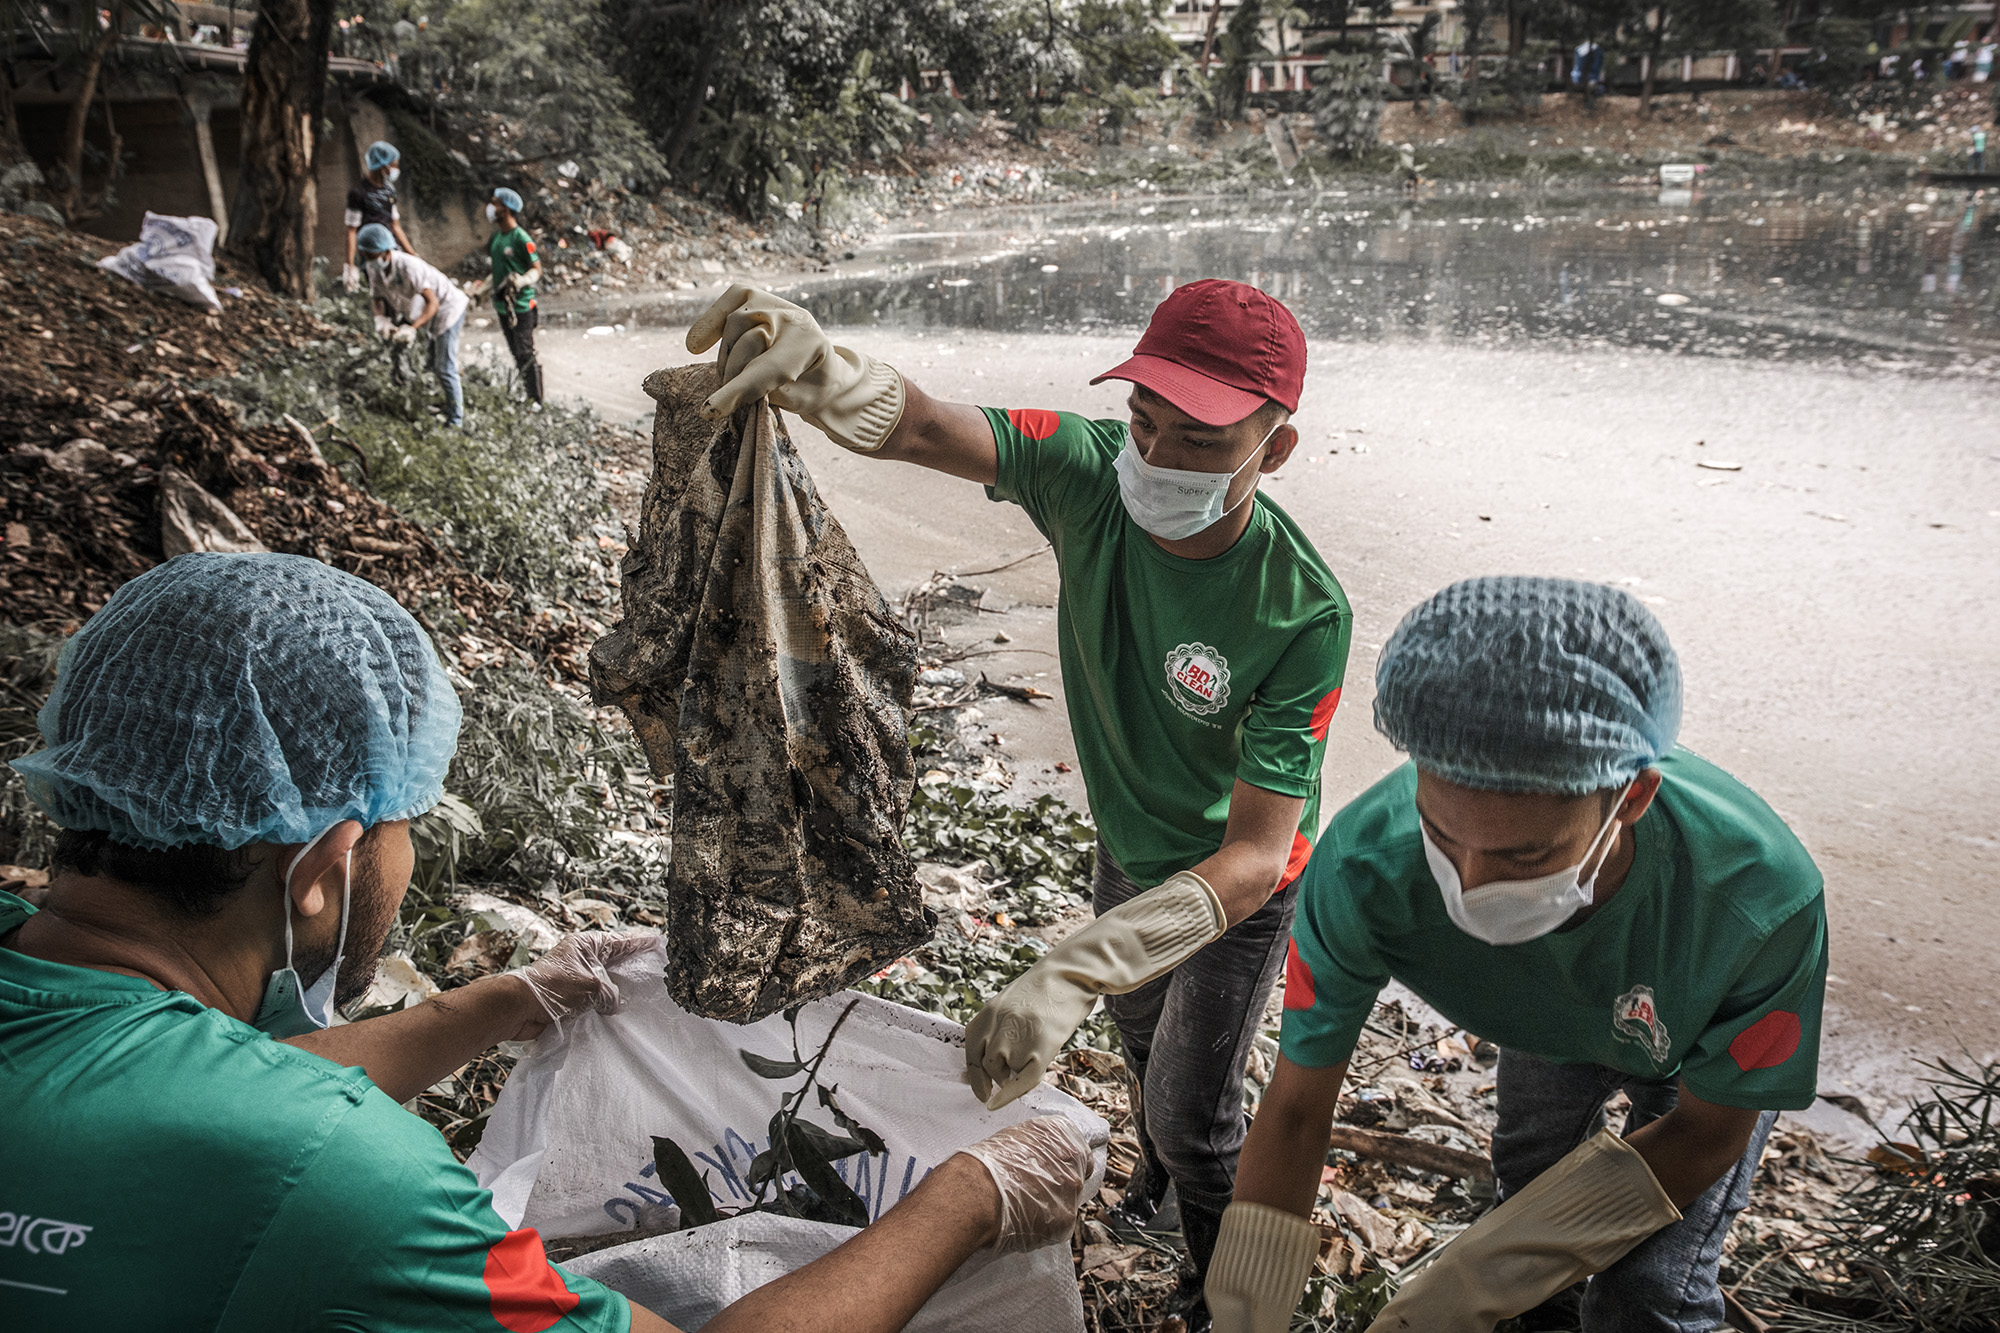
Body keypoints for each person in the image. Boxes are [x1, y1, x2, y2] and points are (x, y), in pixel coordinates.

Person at [0, 552, 1093, 1333]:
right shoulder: (344, 1183)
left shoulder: (79, 1025)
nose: (406, 854)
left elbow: (185, 1086)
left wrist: (498, 1002)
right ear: (324, 872)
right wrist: (963, 1200)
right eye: (405, 823)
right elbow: (256, 1128)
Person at [686, 281, 1352, 1308]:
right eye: (1145, 422)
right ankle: (1155, 1185)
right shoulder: (1087, 473)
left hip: (1231, 894)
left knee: (1190, 1106)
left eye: (1201, 443)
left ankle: (1219, 1285)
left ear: (1276, 447)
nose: (1159, 459)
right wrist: (824, 370)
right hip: (1125, 841)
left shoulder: (1299, 609)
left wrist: (1074, 965)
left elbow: (1260, 852)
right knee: (1140, 1046)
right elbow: (922, 426)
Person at [1206, 577, 1829, 1333]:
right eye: (1442, 835)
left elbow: (1709, 1132)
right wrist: (1248, 1313)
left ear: (1631, 798)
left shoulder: (1757, 899)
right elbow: (1300, 1107)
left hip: (1696, 1049)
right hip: (1547, 1022)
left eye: (1525, 854)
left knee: (1651, 1290)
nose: (1471, 885)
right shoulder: (1367, 869)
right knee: (1530, 1192)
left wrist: (1472, 1280)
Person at [358, 221, 469, 429]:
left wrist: (412, 328)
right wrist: (381, 319)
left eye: (371, 255)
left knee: (444, 366)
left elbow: (433, 303)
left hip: (448, 308)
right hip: (422, 311)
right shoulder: (372, 269)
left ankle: (456, 420)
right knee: (430, 363)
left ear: (384, 251)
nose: (368, 260)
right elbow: (377, 297)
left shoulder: (409, 266)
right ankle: (442, 403)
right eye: (365, 255)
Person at [486, 186, 545, 406]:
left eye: (495, 203)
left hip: (521, 306)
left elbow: (537, 269)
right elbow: (496, 273)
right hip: (502, 307)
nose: (491, 207)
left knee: (526, 354)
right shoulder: (496, 238)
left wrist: (522, 280)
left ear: (507, 208)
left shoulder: (521, 238)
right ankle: (525, 396)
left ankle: (536, 401)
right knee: (516, 354)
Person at [343, 140, 417, 293]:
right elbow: (352, 231)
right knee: (380, 295)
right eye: (394, 165)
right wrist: (350, 266)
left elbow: (395, 226)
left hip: (393, 252)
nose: (396, 169)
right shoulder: (358, 193)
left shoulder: (390, 191)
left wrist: (412, 254)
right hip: (372, 254)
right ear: (383, 165)